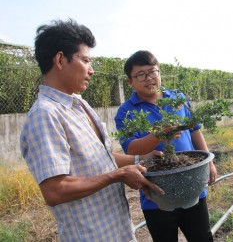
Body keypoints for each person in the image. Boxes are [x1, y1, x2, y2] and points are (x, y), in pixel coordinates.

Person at [20, 19, 164, 242]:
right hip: (90, 235)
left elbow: (100, 158)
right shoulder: (45, 115)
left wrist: (140, 158)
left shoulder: (79, 104)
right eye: (85, 60)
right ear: (60, 59)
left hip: (117, 228)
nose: (92, 70)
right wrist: (117, 176)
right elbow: (55, 190)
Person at [115, 50, 216, 242]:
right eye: (141, 75)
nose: (149, 78)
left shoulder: (177, 98)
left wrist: (208, 161)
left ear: (159, 73)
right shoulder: (126, 111)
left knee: (202, 237)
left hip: (192, 183)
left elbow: (194, 130)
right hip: (156, 194)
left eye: (153, 72)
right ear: (130, 81)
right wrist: (158, 136)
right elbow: (132, 148)